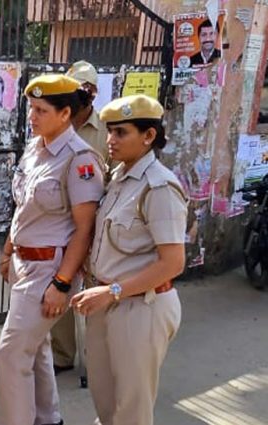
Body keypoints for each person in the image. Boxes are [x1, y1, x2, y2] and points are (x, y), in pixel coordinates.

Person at [0, 74, 104, 425]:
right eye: (32, 108)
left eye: (42, 110)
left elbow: (84, 229)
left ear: (65, 113)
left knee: (10, 355)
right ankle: (48, 419)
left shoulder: (79, 158)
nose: (33, 116)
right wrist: (8, 249)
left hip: (49, 270)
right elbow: (23, 208)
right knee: (36, 348)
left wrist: (61, 283)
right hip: (24, 266)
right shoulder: (34, 147)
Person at [72, 95, 185, 425]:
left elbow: (172, 263)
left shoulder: (159, 186)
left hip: (141, 308)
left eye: (121, 133)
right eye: (109, 132)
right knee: (106, 404)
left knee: (131, 411)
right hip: (107, 303)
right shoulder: (119, 176)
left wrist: (112, 291)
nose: (110, 140)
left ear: (148, 136)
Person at [48, 60, 110, 375]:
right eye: (76, 88)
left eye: (87, 88)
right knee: (61, 284)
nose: (81, 93)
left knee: (94, 290)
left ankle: (94, 353)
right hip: (62, 222)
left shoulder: (106, 131)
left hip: (97, 224)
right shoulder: (59, 125)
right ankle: (61, 355)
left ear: (95, 92)